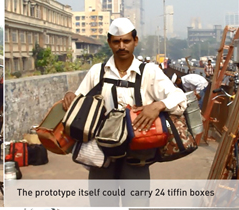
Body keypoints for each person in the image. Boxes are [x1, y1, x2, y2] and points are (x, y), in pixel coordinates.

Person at [62, 18, 186, 182]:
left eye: (126, 41)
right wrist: (71, 97)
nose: (121, 46)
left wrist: (158, 105)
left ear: (135, 41)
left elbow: (179, 98)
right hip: (100, 154)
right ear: (109, 43)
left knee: (136, 205)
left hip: (137, 156)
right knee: (102, 205)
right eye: (116, 41)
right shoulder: (97, 72)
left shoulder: (149, 72)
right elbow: (80, 103)